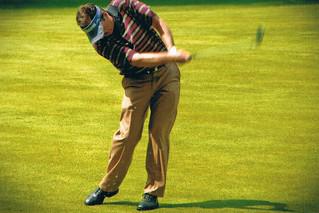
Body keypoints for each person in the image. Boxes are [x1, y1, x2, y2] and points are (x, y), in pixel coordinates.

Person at [76, 0, 191, 211]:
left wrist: (171, 48)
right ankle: (108, 186)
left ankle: (152, 192)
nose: (97, 36)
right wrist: (170, 55)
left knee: (158, 133)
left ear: (104, 15)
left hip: (167, 76)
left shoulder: (125, 5)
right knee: (126, 135)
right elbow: (136, 59)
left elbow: (156, 21)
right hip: (136, 82)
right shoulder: (100, 43)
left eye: (98, 29)